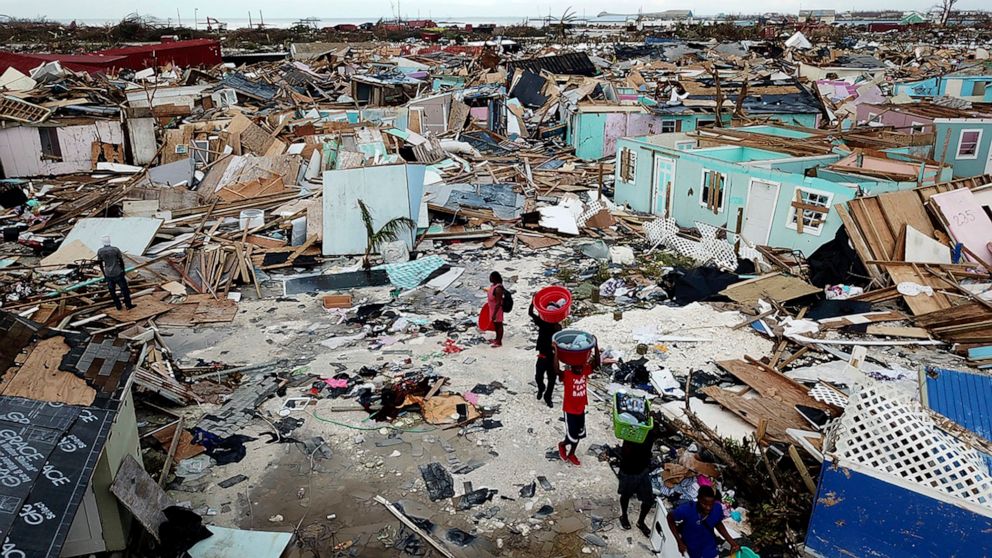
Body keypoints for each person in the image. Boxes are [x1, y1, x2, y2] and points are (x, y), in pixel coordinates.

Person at [556, 343, 600, 466]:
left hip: (581, 409)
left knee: (580, 434)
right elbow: (555, 370)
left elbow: (597, 364)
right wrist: (555, 352)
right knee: (571, 436)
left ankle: (572, 453)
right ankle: (562, 445)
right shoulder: (567, 375)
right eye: (578, 367)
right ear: (572, 367)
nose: (580, 369)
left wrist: (595, 346)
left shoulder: (584, 372)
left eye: (581, 367)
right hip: (569, 410)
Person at [667, 485, 741, 558]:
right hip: (692, 550)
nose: (708, 508)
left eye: (711, 504)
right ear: (699, 499)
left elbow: (718, 524)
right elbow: (669, 517)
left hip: (710, 550)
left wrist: (732, 543)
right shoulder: (687, 509)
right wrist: (679, 542)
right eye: (704, 504)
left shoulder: (717, 508)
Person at [617, 429, 659, 536]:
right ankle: (624, 515)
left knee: (648, 500)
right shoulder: (631, 432)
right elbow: (625, 452)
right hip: (629, 470)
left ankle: (641, 522)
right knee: (626, 495)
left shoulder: (650, 431)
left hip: (643, 470)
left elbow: (669, 431)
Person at [529, 300, 563, 408]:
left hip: (552, 356)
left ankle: (548, 397)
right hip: (542, 355)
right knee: (538, 377)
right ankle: (541, 388)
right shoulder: (542, 322)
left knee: (552, 379)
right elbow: (530, 313)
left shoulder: (558, 327)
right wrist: (533, 302)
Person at [96, 236, 135, 311]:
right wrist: (123, 270)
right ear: (110, 241)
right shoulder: (115, 249)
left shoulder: (100, 251)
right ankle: (128, 305)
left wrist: (104, 273)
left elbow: (100, 263)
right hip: (118, 272)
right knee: (124, 290)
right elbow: (121, 261)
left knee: (112, 291)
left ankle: (118, 306)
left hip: (108, 274)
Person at [487, 271, 505, 347]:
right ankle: (496, 339)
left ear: (494, 278)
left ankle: (499, 341)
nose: (490, 278)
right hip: (492, 308)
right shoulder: (493, 286)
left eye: (491, 277)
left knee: (499, 325)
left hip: (497, 310)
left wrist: (494, 313)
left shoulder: (498, 289)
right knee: (495, 324)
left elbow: (498, 302)